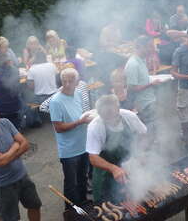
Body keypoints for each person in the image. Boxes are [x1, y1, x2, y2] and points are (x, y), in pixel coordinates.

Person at [87, 95, 147, 203]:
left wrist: (139, 153)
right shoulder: (95, 126)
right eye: (105, 116)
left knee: (132, 197)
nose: (109, 119)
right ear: (100, 114)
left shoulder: (129, 117)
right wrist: (113, 168)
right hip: (105, 172)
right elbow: (93, 157)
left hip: (129, 165)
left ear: (118, 109)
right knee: (105, 203)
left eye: (111, 114)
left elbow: (143, 134)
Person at [49, 68, 93, 208]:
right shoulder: (55, 101)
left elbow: (80, 113)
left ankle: (83, 202)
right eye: (64, 81)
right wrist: (80, 122)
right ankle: (71, 210)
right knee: (70, 183)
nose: (67, 84)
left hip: (83, 145)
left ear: (77, 82)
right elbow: (59, 128)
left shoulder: (78, 93)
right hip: (68, 150)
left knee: (83, 178)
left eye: (70, 81)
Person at [125, 36, 160, 145]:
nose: (152, 49)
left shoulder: (142, 59)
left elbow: (142, 78)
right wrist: (151, 84)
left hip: (149, 99)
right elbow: (131, 88)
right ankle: (145, 152)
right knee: (146, 129)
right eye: (149, 47)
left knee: (153, 126)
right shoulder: (133, 64)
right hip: (143, 103)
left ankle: (151, 148)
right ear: (139, 47)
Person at [26, 51, 58, 127]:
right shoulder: (52, 65)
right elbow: (57, 79)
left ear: (35, 58)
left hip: (40, 98)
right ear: (45, 58)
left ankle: (36, 120)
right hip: (54, 95)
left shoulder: (32, 69)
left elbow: (31, 87)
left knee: (26, 98)